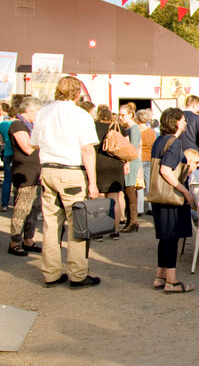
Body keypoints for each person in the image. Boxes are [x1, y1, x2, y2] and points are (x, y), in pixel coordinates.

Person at [31, 76, 101, 288]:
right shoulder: (80, 115)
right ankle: (78, 274)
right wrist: (93, 182)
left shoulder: (43, 112)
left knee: (51, 224)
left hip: (48, 169)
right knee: (77, 224)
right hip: (71, 171)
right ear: (78, 92)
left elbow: (35, 144)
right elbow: (87, 149)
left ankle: (51, 272)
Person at [149, 108, 196, 293]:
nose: (185, 123)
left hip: (158, 195)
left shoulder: (159, 140)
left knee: (164, 237)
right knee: (171, 237)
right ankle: (172, 280)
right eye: (183, 120)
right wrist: (185, 191)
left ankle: (160, 275)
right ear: (176, 122)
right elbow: (166, 170)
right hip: (170, 196)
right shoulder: (174, 143)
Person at [7, 97, 43, 256]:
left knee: (34, 209)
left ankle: (28, 239)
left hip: (35, 172)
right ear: (28, 110)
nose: (38, 115)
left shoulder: (32, 126)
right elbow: (27, 148)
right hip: (25, 172)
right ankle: (15, 241)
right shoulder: (17, 124)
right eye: (36, 111)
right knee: (22, 208)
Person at [94, 107, 126, 240]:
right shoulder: (118, 128)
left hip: (99, 164)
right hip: (115, 165)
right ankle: (115, 230)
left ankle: (99, 231)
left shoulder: (93, 127)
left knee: (100, 198)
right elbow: (126, 147)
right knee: (115, 199)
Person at [118, 105, 142, 233]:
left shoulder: (133, 128)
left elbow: (132, 147)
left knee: (130, 190)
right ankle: (130, 220)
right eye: (120, 115)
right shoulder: (129, 128)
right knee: (129, 190)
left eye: (123, 115)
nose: (121, 118)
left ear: (130, 115)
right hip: (129, 160)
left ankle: (133, 221)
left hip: (131, 161)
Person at [178, 95, 199, 167]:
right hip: (194, 152)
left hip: (180, 151)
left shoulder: (177, 116)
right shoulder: (197, 118)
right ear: (194, 105)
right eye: (198, 106)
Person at [137, 109, 156, 214]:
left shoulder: (136, 130)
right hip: (149, 158)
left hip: (139, 158)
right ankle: (151, 207)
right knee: (149, 183)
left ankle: (139, 208)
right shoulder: (151, 131)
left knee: (139, 184)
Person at [0, 103, 13, 212]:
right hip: (20, 155)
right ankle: (18, 204)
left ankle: (4, 204)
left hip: (7, 153)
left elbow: (1, 140)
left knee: (7, 180)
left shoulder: (3, 124)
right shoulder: (21, 124)